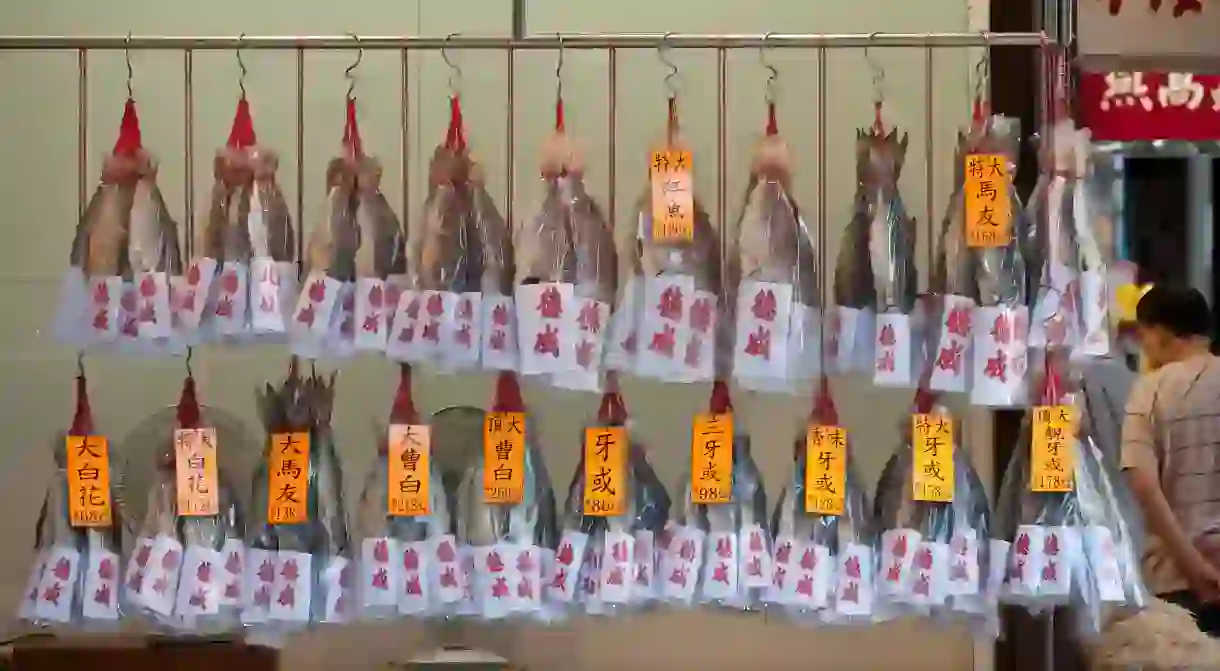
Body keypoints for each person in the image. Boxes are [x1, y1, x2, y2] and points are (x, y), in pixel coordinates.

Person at [1120, 284, 1220, 634]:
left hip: (1175, 582)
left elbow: (1143, 483)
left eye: (1144, 334)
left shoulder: (1150, 390)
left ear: (1160, 332)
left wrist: (1193, 566)